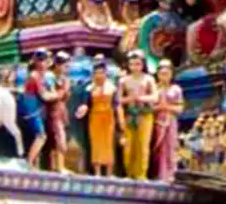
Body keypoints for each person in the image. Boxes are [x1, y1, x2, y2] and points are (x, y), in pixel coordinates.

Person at [119, 51, 158, 180]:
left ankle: (141, 174)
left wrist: (141, 98)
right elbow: (118, 100)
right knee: (129, 146)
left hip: (144, 114)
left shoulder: (149, 79)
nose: (135, 67)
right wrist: (129, 99)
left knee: (143, 145)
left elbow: (155, 97)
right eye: (132, 64)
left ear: (143, 64)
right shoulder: (124, 80)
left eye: (138, 64)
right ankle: (129, 173)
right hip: (130, 115)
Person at [77, 60, 119, 177]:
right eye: (96, 73)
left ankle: (109, 172)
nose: (99, 75)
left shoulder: (112, 88)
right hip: (95, 117)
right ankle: (97, 171)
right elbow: (86, 103)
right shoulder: (90, 88)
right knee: (96, 144)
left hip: (108, 117)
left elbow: (116, 105)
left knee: (108, 144)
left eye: (101, 72)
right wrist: (83, 108)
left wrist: (121, 122)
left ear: (106, 74)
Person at [150, 62, 184, 181]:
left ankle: (171, 173)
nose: (164, 76)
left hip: (170, 120)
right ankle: (159, 174)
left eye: (167, 73)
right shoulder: (154, 88)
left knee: (170, 146)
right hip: (157, 121)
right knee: (158, 148)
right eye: (162, 73)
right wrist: (159, 107)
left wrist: (166, 107)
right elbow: (149, 108)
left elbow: (180, 109)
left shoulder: (176, 89)